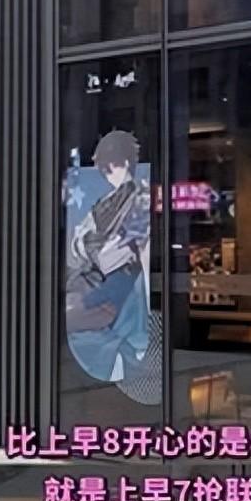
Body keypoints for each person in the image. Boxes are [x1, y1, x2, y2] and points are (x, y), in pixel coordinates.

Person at [65, 130, 151, 383]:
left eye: (109, 167)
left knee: (78, 314)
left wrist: (98, 247)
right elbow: (79, 244)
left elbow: (125, 247)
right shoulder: (104, 202)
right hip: (99, 278)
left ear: (124, 162)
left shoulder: (141, 196)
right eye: (103, 169)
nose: (106, 173)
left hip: (123, 282)